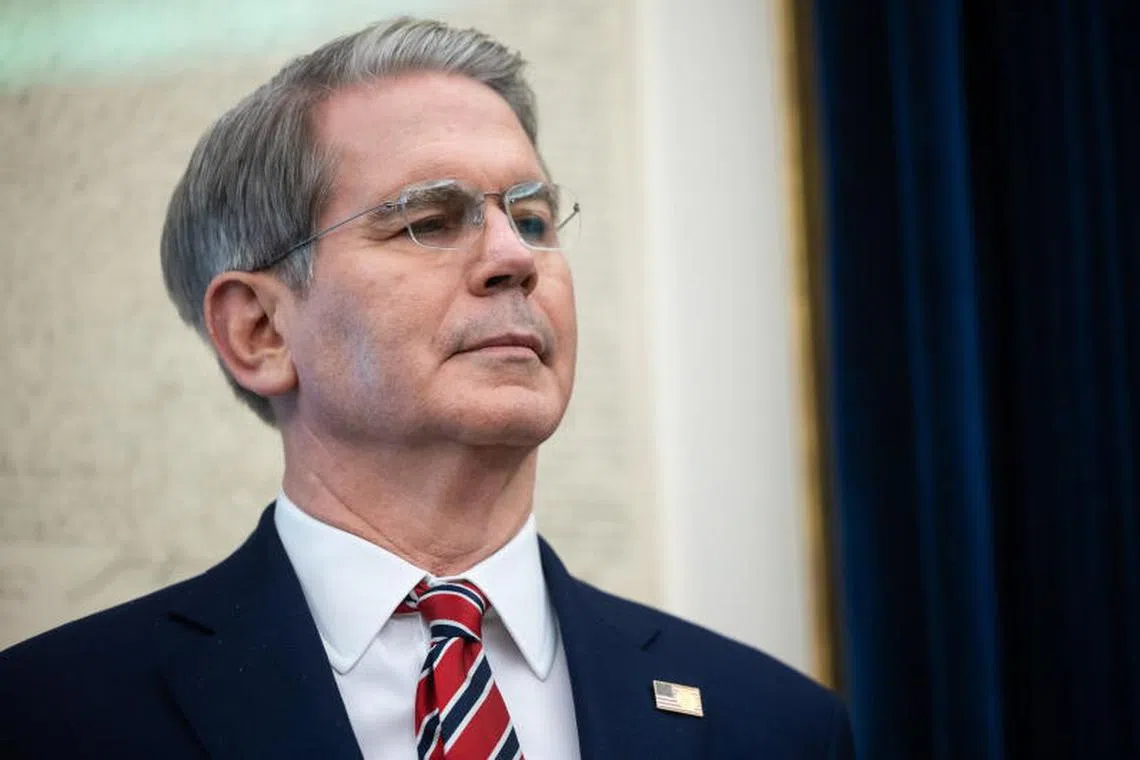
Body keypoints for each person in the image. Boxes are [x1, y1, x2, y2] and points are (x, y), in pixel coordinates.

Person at [0, 17, 853, 759]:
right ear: (260, 331)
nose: (515, 258)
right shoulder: (49, 716)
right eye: (429, 220)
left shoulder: (772, 723)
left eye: (532, 217)